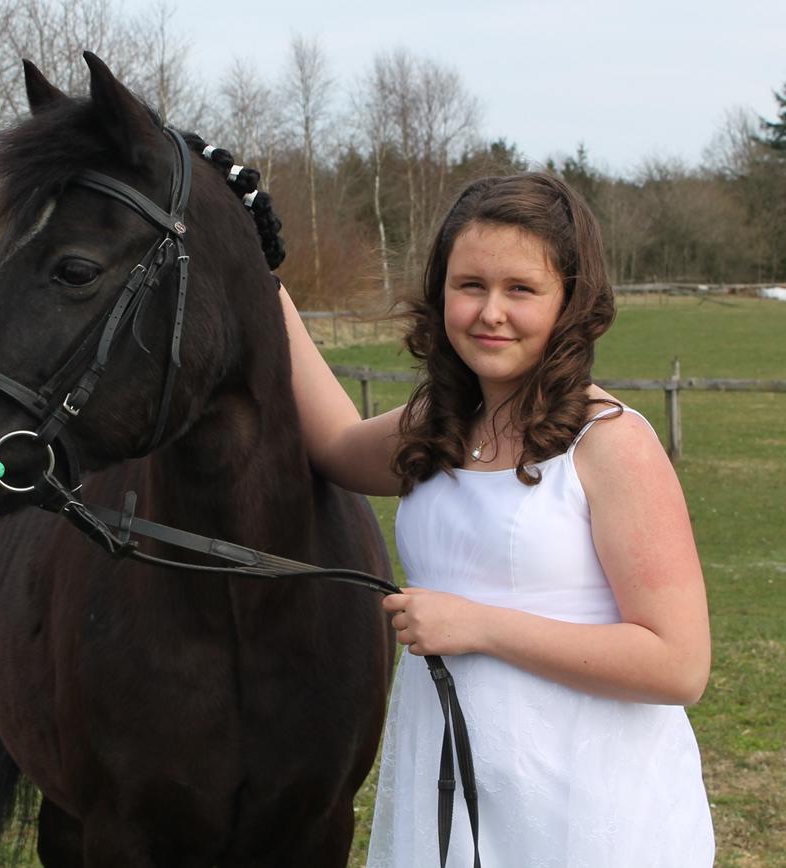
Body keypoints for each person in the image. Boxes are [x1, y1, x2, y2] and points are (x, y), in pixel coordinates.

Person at [278, 173, 714, 866]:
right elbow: (332, 445)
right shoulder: (441, 427)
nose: (490, 312)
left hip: (583, 808)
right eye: (469, 284)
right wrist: (262, 281)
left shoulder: (611, 444)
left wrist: (478, 625)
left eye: (521, 289)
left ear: (571, 300)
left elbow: (679, 664)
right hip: (450, 785)